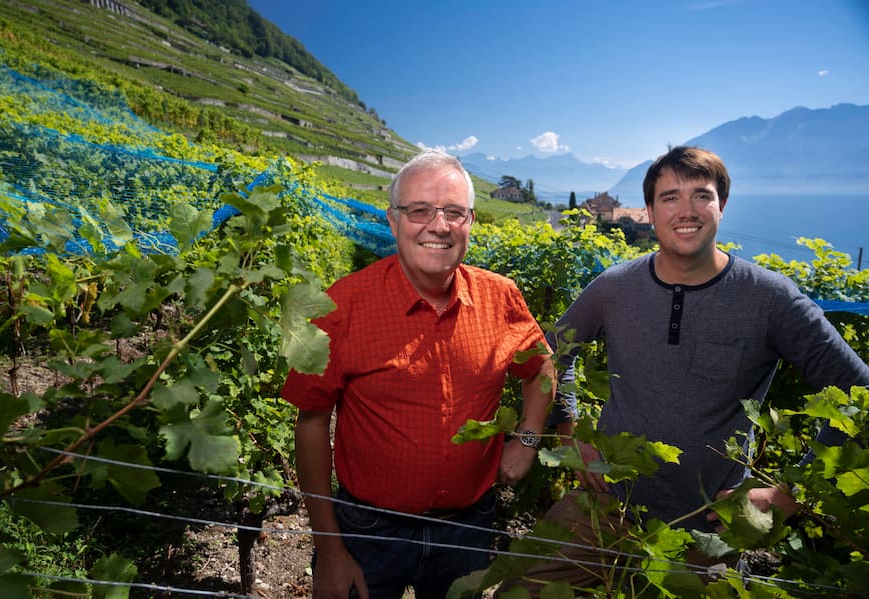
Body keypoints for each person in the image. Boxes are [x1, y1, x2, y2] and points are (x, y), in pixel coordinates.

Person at [503, 146, 869, 594]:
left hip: (706, 527)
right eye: (670, 197)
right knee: (521, 588)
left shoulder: (772, 300)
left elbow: (859, 392)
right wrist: (568, 429)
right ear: (651, 211)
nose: (686, 210)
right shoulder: (614, 288)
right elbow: (553, 354)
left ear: (722, 206)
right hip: (604, 504)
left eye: (702, 195)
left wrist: (786, 495)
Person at [281, 149, 555, 599]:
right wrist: (329, 550)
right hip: (368, 530)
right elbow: (311, 422)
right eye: (420, 210)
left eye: (453, 212)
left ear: (470, 222)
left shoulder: (500, 298)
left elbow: (539, 366)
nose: (438, 225)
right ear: (392, 221)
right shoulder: (343, 305)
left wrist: (527, 439)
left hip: (468, 529)